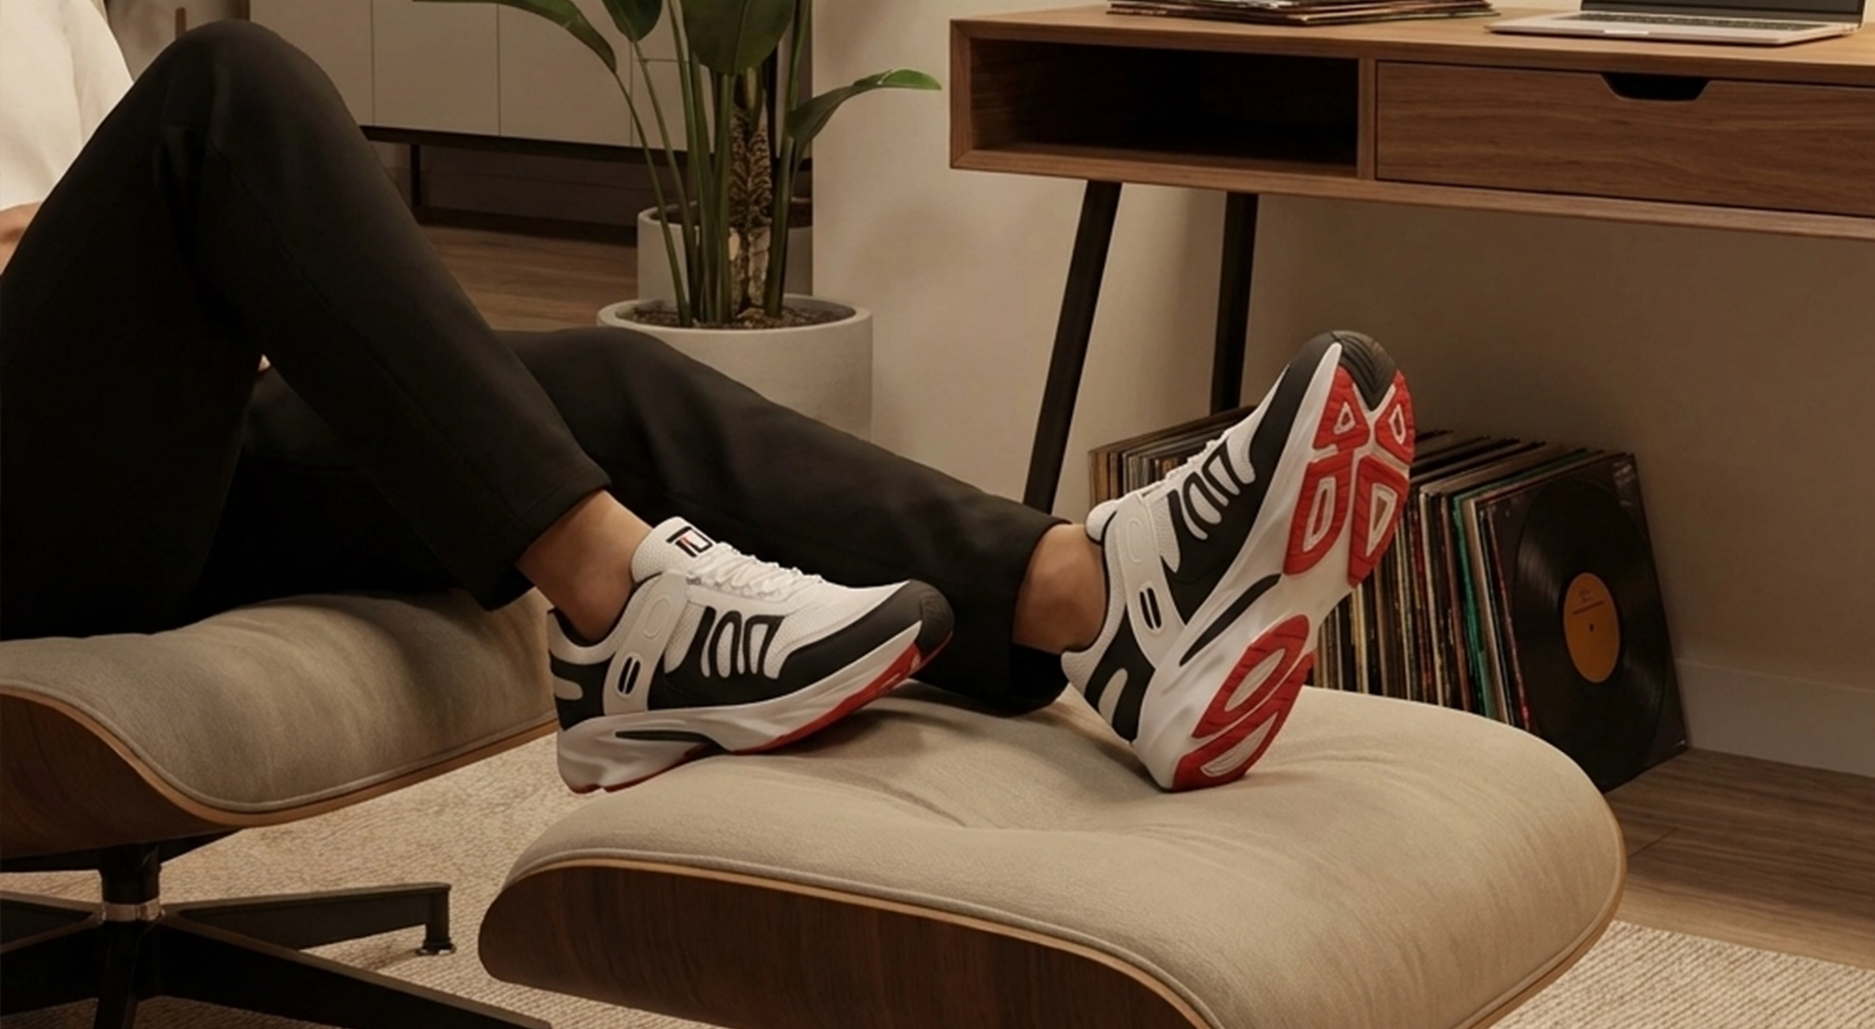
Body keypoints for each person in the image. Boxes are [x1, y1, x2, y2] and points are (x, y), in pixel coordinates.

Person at [0, 0, 1416, 794]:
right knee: (223, 90)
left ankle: (1101, 604)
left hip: (122, 454)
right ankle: (625, 617)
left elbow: (132, 253)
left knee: (604, 385)